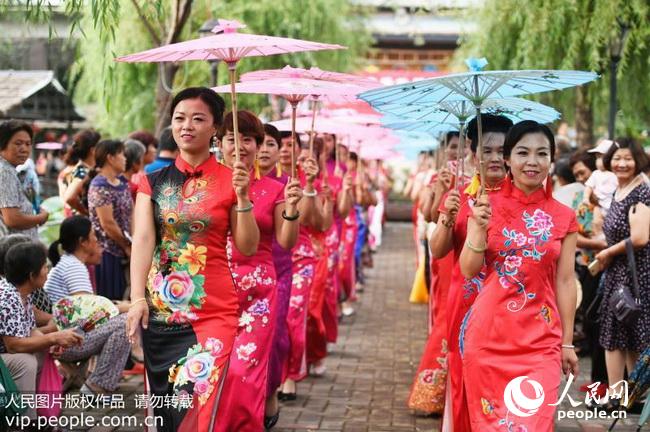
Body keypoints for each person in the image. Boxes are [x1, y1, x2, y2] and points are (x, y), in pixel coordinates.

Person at [126, 87, 259, 432]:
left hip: (213, 309)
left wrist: (243, 199)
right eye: (180, 118)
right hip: (162, 312)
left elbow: (246, 245)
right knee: (167, 405)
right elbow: (143, 240)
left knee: (202, 401)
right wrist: (137, 297)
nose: (187, 126)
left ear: (215, 128)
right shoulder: (151, 182)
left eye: (198, 119)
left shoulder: (234, 180)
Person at [459, 120, 578, 430]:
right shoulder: (485, 207)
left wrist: (567, 342)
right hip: (489, 338)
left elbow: (565, 280)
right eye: (523, 153)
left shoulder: (564, 217)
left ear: (551, 160)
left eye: (542, 154)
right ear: (508, 159)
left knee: (534, 423)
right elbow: (469, 269)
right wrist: (477, 227)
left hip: (541, 342)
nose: (532, 162)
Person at [215, 111, 301, 432]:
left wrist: (291, 210)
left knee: (243, 369)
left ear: (259, 145)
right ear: (219, 143)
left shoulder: (275, 189)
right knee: (214, 369)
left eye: (248, 139)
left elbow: (286, 241)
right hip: (212, 289)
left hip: (258, 292)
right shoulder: (205, 186)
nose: (239, 146)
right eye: (231, 139)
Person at [426, 114, 511, 427]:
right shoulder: (461, 196)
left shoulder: (523, 202)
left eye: (503, 151)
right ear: (473, 155)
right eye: (486, 150)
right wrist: (448, 216)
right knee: (464, 375)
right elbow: (438, 250)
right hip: (465, 302)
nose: (495, 158)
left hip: (508, 307)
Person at [44, 216, 132, 395]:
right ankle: (98, 384)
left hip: (64, 336)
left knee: (122, 317)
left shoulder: (69, 263)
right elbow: (90, 316)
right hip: (65, 342)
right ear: (82, 242)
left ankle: (97, 379)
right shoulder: (73, 267)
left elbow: (90, 312)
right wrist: (125, 307)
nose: (97, 241)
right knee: (125, 321)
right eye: (94, 236)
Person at [595, 138, 650, 411]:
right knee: (619, 334)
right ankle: (625, 397)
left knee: (623, 334)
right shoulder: (620, 189)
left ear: (638, 160)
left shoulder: (642, 192)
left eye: (628, 158)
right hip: (619, 270)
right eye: (617, 158)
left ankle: (624, 397)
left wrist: (607, 253)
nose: (622, 163)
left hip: (635, 273)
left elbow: (640, 237)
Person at [0, 242, 84, 420]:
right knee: (25, 362)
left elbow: (29, 330)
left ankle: (39, 414)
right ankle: (24, 421)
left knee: (39, 353)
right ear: (32, 275)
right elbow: (13, 345)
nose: (48, 270)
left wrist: (51, 343)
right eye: (45, 267)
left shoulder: (22, 293)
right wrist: (54, 337)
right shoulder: (9, 298)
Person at [259, 124, 294, 426]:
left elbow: (288, 238)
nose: (265, 149)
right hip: (236, 275)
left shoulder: (285, 186)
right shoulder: (234, 183)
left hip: (278, 271)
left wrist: (298, 202)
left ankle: (270, 392)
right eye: (262, 143)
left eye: (272, 144)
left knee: (276, 339)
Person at [568, 149, 608, 398]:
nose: (582, 179)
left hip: (604, 266)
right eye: (577, 175)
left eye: (583, 173)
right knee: (592, 322)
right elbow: (574, 233)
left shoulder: (606, 198)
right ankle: (598, 380)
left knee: (600, 323)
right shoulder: (583, 198)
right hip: (588, 266)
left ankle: (604, 382)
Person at [87, 140, 133, 300]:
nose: (125, 158)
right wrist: (126, 246)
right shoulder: (99, 186)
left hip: (127, 247)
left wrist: (133, 242)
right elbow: (107, 223)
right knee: (112, 299)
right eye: (121, 154)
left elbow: (131, 213)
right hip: (108, 251)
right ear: (110, 158)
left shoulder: (122, 182)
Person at [0, 120, 49, 239]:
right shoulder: (5, 172)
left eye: (28, 144)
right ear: (2, 145)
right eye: (18, 143)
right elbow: (12, 219)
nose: (24, 149)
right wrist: (41, 217)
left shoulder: (9, 170)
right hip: (15, 249)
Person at [63, 129, 100, 216]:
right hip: (84, 223)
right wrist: (86, 213)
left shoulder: (87, 169)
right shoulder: (83, 172)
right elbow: (69, 198)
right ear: (93, 150)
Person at [582, 139, 618, 214]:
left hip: (614, 208)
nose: (598, 160)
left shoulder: (616, 174)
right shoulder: (596, 174)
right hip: (599, 206)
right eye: (597, 157)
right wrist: (586, 198)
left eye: (601, 157)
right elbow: (589, 187)